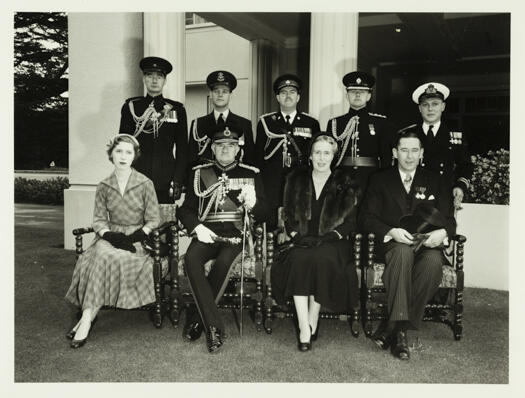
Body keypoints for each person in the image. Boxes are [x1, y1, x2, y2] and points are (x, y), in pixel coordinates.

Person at [358, 126, 456, 360]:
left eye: (414, 150)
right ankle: (400, 332)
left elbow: (449, 218)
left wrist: (442, 232)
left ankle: (394, 327)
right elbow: (365, 217)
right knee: (402, 253)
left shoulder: (435, 180)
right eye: (404, 150)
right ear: (395, 152)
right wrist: (391, 230)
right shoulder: (379, 179)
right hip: (393, 245)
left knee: (433, 263)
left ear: (422, 153)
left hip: (426, 245)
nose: (409, 156)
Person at [177, 121, 268, 353]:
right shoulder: (199, 174)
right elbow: (185, 209)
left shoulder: (251, 174)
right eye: (220, 145)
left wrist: (254, 205)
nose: (225, 149)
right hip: (207, 234)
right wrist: (197, 227)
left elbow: (266, 212)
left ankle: (198, 319)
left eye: (231, 145)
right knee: (191, 259)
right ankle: (214, 324)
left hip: (236, 235)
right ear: (213, 148)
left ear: (238, 148)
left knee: (224, 263)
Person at [65, 134, 160, 349]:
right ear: (111, 155)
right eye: (119, 151)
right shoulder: (104, 185)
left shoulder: (145, 183)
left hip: (136, 240)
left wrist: (135, 236)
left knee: (103, 257)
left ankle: (86, 318)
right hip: (109, 237)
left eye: (128, 152)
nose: (123, 156)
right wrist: (110, 236)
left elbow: (154, 218)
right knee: (101, 253)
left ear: (135, 156)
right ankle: (87, 318)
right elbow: (99, 219)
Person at [271, 132, 361, 352]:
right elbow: (288, 215)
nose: (322, 158)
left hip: (332, 242)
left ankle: (314, 317)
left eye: (327, 153)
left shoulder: (345, 182)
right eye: (317, 153)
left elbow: (350, 222)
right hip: (301, 239)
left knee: (321, 257)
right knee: (300, 258)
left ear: (334, 156)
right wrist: (295, 236)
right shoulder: (295, 179)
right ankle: (304, 327)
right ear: (310, 156)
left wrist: (329, 237)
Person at [255, 74, 320, 229]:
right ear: (278, 97)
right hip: (272, 184)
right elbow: (258, 158)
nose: (288, 96)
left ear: (298, 97)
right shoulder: (266, 122)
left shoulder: (311, 123)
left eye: (292, 92)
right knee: (271, 227)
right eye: (283, 93)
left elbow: (316, 156)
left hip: (300, 184)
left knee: (298, 227)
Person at [119, 56, 188, 203]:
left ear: (165, 80)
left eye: (160, 76)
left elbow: (183, 150)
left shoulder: (177, 110)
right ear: (144, 78)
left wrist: (177, 180)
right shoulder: (131, 108)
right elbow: (123, 147)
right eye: (150, 75)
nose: (154, 80)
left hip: (165, 181)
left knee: (164, 224)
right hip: (136, 179)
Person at [326, 71, 393, 192]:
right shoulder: (335, 123)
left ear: (368, 96)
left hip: (371, 180)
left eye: (362, 92)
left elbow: (386, 158)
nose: (357, 94)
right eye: (353, 91)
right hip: (341, 181)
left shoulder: (381, 123)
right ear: (346, 95)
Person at [411, 82, 473, 209]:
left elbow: (465, 165)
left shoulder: (455, 135)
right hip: (414, 197)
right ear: (419, 108)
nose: (430, 109)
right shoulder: (409, 135)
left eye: (435, 104)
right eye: (425, 105)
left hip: (444, 196)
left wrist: (460, 186)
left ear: (443, 106)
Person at [188, 70, 255, 166]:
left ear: (231, 95)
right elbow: (191, 158)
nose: (220, 95)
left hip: (235, 178)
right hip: (206, 177)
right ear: (210, 95)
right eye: (216, 91)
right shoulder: (197, 124)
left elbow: (250, 158)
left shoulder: (244, 124)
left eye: (225, 91)